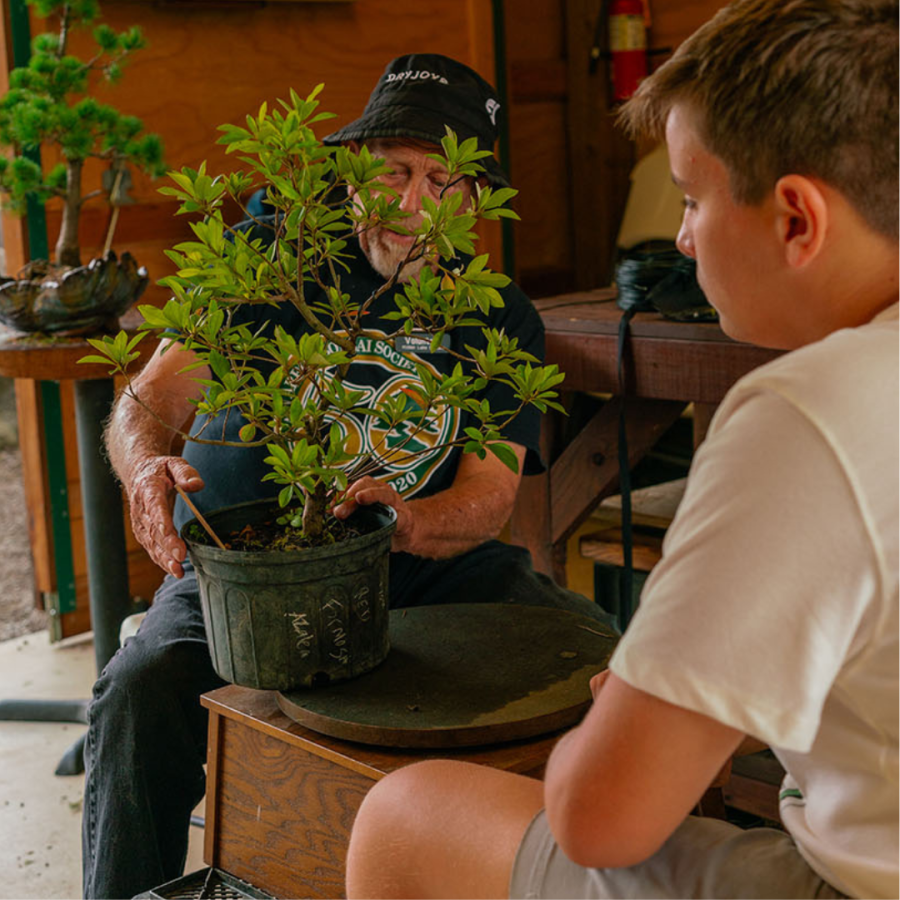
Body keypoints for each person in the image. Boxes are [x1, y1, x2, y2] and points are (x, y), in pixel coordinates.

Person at [345, 3, 899, 899]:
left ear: (797, 219)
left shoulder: (804, 413)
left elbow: (599, 821)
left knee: (407, 817)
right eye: (395, 174)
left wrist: (607, 739)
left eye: (690, 197)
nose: (679, 238)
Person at [81, 53, 614, 900]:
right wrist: (146, 469)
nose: (415, 203)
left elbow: (490, 491)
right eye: (394, 170)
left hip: (428, 565)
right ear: (353, 171)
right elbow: (146, 404)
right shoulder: (270, 260)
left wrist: (411, 524)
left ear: (475, 201)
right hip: (253, 567)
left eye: (446, 180)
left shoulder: (496, 312)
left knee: (596, 655)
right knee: (140, 689)